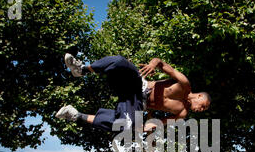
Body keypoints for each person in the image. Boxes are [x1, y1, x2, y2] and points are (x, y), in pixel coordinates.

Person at [56, 54, 211, 132]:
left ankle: (76, 115)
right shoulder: (184, 84)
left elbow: (159, 123)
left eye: (203, 110)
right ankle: (82, 69)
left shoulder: (182, 113)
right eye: (203, 106)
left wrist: (144, 127)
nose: (200, 110)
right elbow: (160, 63)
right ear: (199, 96)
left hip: (136, 104)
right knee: (120, 62)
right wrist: (153, 64)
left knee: (125, 125)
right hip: (138, 85)